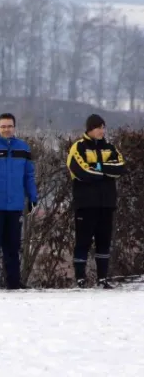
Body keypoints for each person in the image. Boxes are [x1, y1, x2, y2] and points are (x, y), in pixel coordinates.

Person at [66, 114, 125, 289]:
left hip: (106, 202)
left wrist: (98, 167)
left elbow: (120, 167)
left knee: (104, 241)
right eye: (98, 127)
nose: (101, 131)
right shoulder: (79, 147)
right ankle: (80, 278)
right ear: (89, 129)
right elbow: (81, 171)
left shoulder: (110, 147)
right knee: (83, 241)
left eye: (103, 127)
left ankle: (102, 278)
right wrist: (106, 173)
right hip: (85, 203)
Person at [0, 113, 38, 290]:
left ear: (14, 127)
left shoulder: (23, 148)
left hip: (15, 205)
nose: (7, 129)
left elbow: (29, 175)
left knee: (13, 246)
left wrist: (33, 198)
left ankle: (13, 283)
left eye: (10, 126)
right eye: (3, 126)